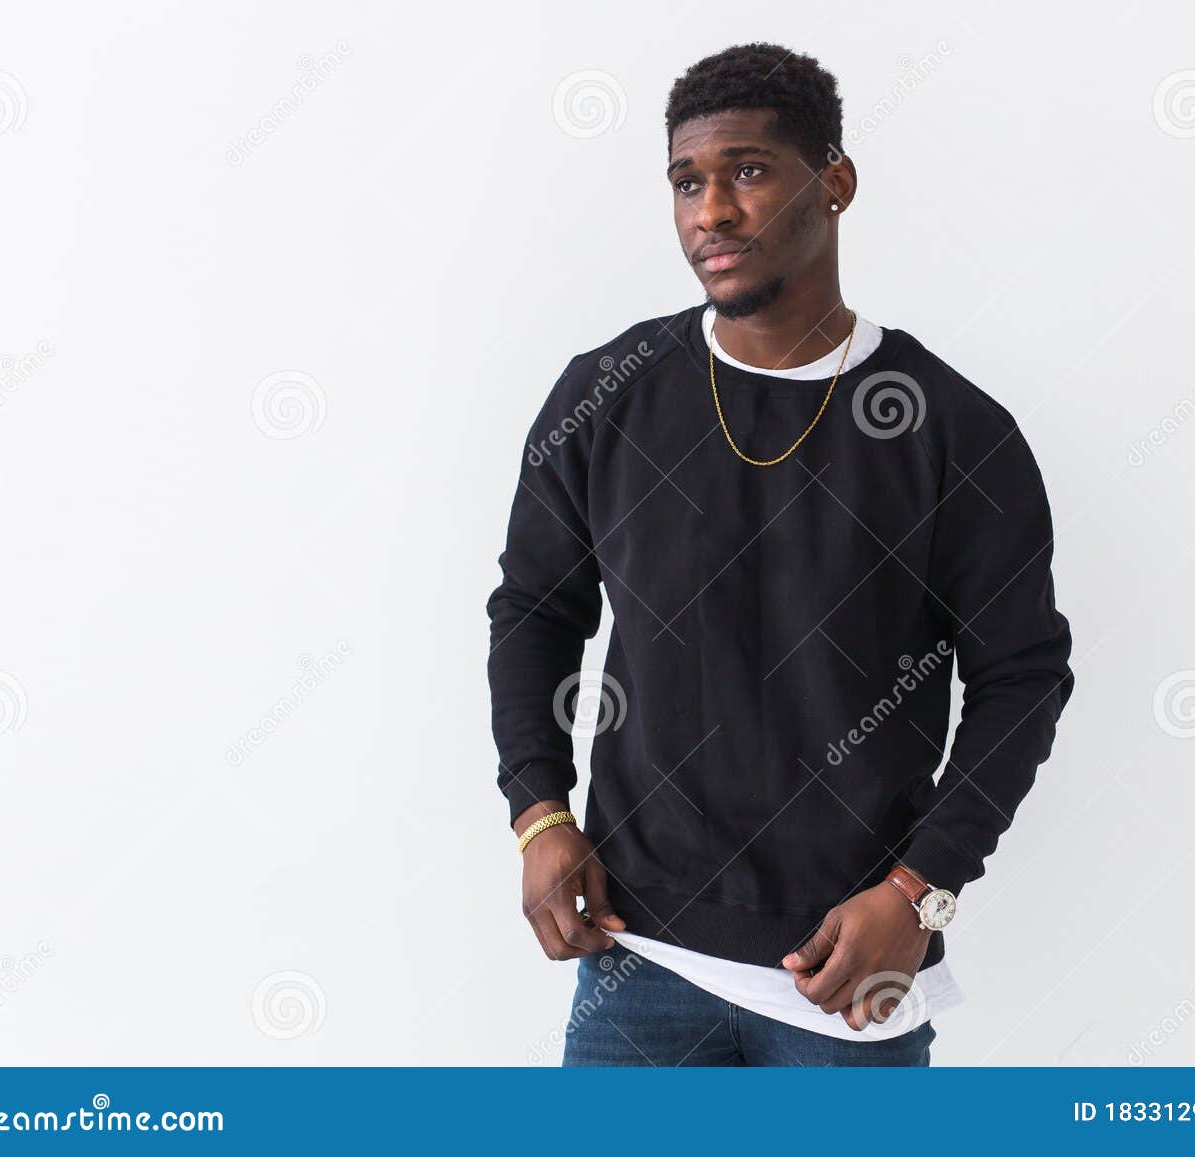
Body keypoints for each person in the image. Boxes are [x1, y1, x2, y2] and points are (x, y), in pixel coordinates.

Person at [487, 42, 1074, 1067]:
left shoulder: (951, 429)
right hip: (638, 959)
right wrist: (539, 812)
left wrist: (919, 891)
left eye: (748, 170)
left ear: (833, 182)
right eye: (686, 181)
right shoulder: (607, 395)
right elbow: (535, 611)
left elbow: (1021, 678)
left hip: (848, 977)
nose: (711, 210)